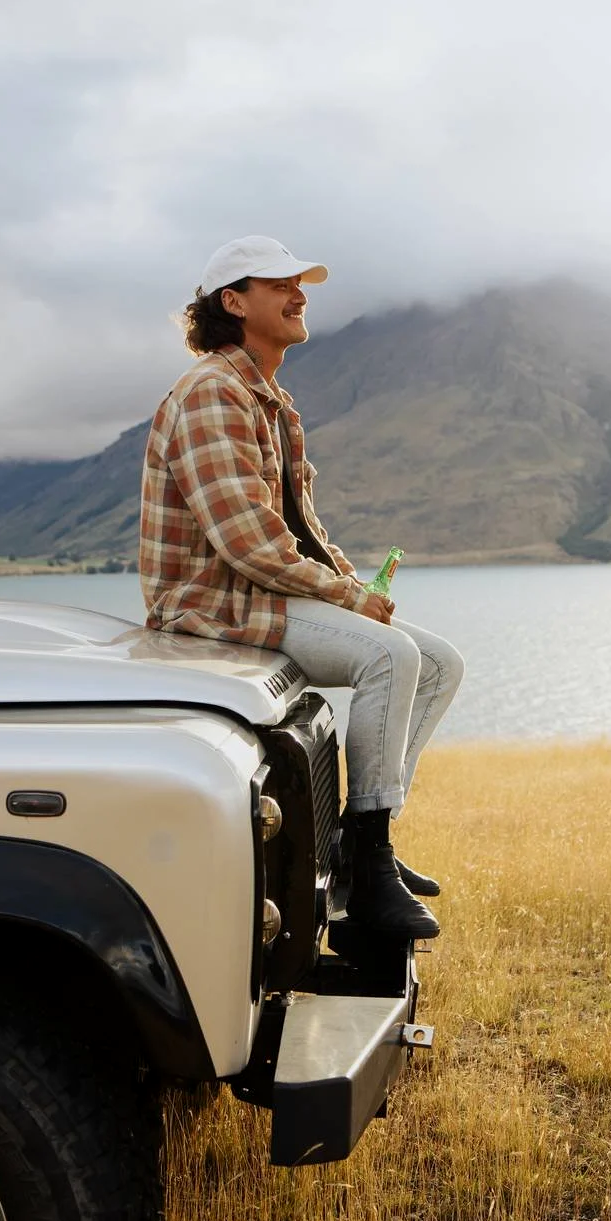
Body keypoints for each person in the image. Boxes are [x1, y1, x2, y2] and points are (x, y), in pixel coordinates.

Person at [140, 235, 464, 941]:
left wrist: (349, 584)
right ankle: (369, 870)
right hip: (210, 605)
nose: (300, 294)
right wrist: (348, 601)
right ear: (233, 301)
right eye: (280, 283)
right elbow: (247, 542)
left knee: (440, 663)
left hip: (262, 595)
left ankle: (358, 847)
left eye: (302, 283)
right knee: (390, 657)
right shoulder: (211, 392)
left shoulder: (267, 400)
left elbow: (298, 530)